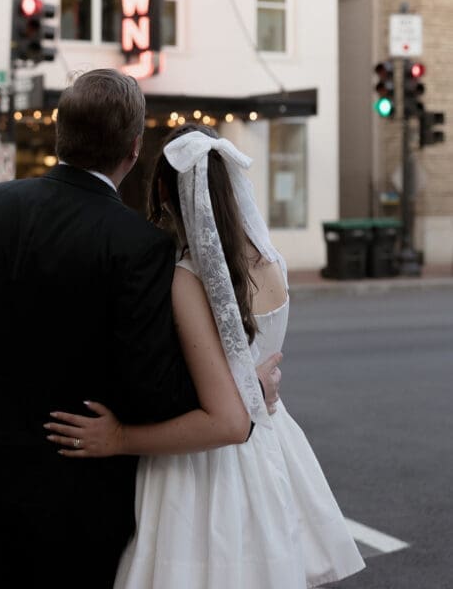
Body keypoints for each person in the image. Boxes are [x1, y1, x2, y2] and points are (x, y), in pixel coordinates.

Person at [0, 72, 282, 589]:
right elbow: (151, 384)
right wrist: (247, 388)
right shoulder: (139, 245)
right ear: (134, 148)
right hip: (78, 484)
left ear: (59, 135)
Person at [46, 124, 366, 589]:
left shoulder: (188, 279)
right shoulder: (271, 262)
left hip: (201, 467)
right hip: (273, 446)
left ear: (162, 190)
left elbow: (226, 418)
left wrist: (117, 437)